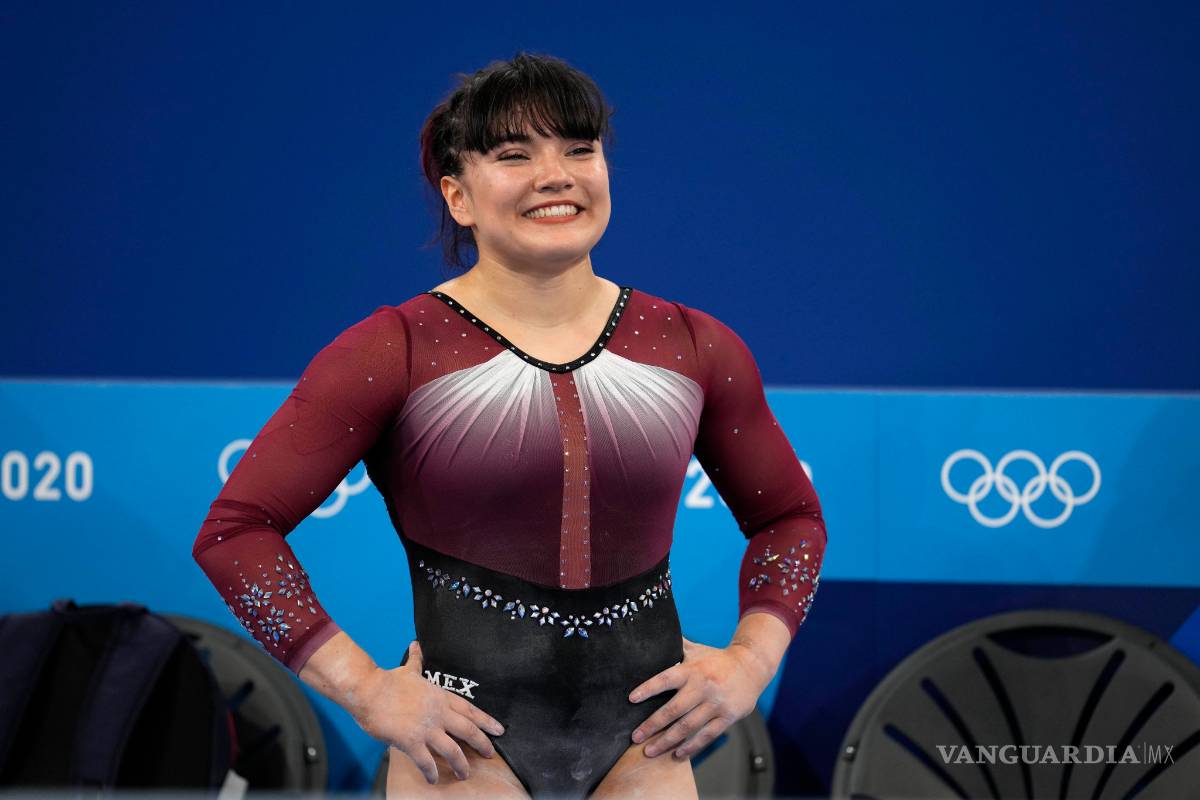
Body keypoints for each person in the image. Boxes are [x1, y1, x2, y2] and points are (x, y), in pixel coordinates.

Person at [191, 52, 826, 799]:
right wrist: (364, 689)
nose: (555, 176)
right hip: (465, 756)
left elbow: (791, 518)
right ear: (457, 196)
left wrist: (750, 662)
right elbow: (236, 533)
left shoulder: (693, 345)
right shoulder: (393, 350)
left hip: (645, 753)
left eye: (579, 149)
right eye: (514, 155)